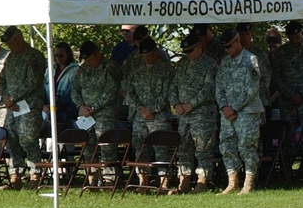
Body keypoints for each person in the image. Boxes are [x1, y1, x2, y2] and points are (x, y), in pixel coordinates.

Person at [0, 25, 47, 190]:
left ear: (19, 39)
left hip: (29, 106)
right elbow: (2, 78)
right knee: (11, 138)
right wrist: (4, 97)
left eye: (12, 44)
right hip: (12, 107)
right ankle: (16, 174)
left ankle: (35, 173)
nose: (10, 48)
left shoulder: (35, 57)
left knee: (28, 138)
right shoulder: (11, 58)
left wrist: (13, 98)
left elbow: (32, 81)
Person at [215, 28, 264, 194]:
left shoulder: (251, 59)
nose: (227, 50)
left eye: (229, 46)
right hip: (227, 113)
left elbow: (252, 88)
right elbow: (219, 87)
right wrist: (224, 107)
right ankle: (232, 182)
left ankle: (248, 183)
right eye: (225, 48)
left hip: (246, 112)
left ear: (237, 42)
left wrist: (233, 108)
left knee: (246, 146)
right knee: (227, 145)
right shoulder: (225, 62)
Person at [270, 20, 303, 172]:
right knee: (287, 138)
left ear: (302, 34)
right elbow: (277, 77)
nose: (295, 40)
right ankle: (287, 172)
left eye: (298, 37)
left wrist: (302, 94)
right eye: (292, 38)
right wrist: (290, 94)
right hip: (288, 102)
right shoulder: (281, 53)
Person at [169, 32, 218, 193]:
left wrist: (191, 105)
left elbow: (209, 89)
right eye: (185, 52)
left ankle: (202, 181)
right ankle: (184, 180)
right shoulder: (182, 64)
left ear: (199, 47)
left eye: (190, 51)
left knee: (203, 149)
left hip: (202, 115)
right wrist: (176, 104)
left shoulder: (210, 64)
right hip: (183, 115)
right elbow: (173, 86)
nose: (187, 54)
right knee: (183, 148)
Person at [123, 37, 174, 184]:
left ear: (156, 51)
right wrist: (141, 109)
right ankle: (143, 180)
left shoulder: (166, 69)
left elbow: (167, 93)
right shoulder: (137, 70)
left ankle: (164, 181)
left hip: (159, 117)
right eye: (144, 56)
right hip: (140, 116)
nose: (147, 58)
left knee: (161, 149)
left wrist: (151, 109)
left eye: (149, 54)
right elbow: (130, 92)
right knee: (140, 148)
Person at [71, 41, 122, 174]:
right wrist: (81, 106)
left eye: (91, 59)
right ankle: (91, 176)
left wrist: (94, 107)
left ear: (98, 54)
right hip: (85, 114)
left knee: (107, 145)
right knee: (87, 145)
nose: (89, 62)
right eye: (86, 60)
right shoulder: (83, 69)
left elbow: (111, 90)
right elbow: (75, 90)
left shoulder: (110, 67)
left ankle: (109, 178)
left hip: (104, 113)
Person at [238, 23, 270, 112]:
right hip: (236, 102)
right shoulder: (232, 55)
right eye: (242, 35)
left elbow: (265, 79)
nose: (245, 38)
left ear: (252, 34)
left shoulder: (260, 54)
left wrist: (252, 95)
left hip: (257, 101)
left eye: (247, 34)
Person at [45, 42, 79, 124]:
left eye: (61, 56)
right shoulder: (50, 69)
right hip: (48, 109)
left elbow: (71, 92)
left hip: (66, 111)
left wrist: (56, 106)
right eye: (56, 55)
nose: (58, 58)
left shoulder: (75, 71)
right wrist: (45, 104)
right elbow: (43, 86)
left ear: (68, 55)